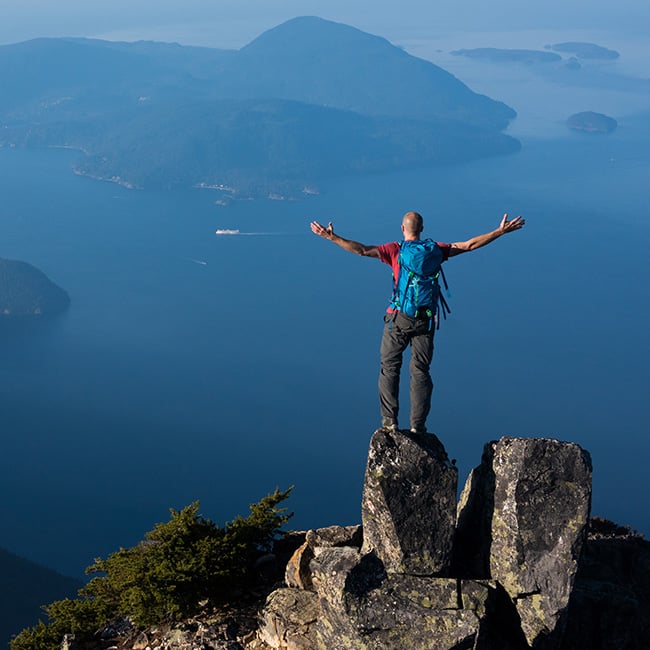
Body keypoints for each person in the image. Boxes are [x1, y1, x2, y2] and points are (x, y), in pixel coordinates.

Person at [310, 211, 525, 433]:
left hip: (399, 319)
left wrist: (332, 237)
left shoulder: (396, 250)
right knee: (421, 371)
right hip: (425, 320)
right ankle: (418, 427)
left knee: (389, 368)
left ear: (403, 229)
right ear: (422, 229)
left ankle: (389, 422)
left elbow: (362, 250)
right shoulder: (435, 250)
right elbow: (469, 245)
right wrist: (500, 231)